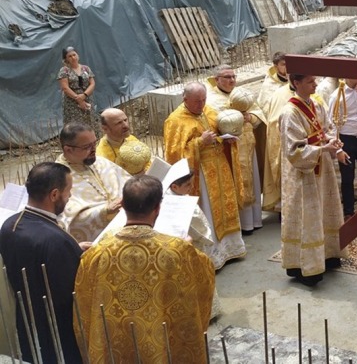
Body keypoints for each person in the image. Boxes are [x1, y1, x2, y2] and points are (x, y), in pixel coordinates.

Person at [74, 176, 214, 363]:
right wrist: (187, 249)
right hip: (161, 341)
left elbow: (83, 305)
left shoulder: (97, 253)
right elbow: (204, 280)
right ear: (157, 208)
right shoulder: (177, 250)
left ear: (123, 205)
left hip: (117, 343)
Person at [0, 163, 84, 364]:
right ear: (54, 194)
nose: (70, 196)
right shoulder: (57, 242)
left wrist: (73, 249)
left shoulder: (10, 224)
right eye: (68, 191)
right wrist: (77, 255)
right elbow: (72, 291)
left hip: (24, 321)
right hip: (57, 330)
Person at [163, 82, 246, 267]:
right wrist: (200, 142)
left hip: (220, 167)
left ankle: (231, 248)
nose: (201, 104)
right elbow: (175, 155)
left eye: (203, 99)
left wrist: (227, 138)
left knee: (225, 206)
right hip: (201, 175)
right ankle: (213, 256)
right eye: (197, 101)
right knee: (209, 210)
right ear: (185, 99)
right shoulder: (175, 120)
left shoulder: (209, 111)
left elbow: (220, 131)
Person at [280, 74, 348, 285]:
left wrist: (333, 143)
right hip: (303, 174)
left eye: (314, 80)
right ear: (296, 83)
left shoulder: (316, 105)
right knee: (307, 217)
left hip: (322, 169)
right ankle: (305, 267)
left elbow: (326, 128)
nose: (315, 84)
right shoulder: (289, 113)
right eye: (310, 81)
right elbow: (294, 151)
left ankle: (328, 255)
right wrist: (323, 148)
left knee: (325, 210)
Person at [204, 65, 265, 234]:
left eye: (233, 77)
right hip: (228, 148)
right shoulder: (211, 100)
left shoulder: (242, 94)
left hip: (248, 145)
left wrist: (249, 117)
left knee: (252, 180)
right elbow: (211, 124)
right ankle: (240, 223)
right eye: (227, 77)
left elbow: (259, 115)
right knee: (234, 182)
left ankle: (253, 220)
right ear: (216, 80)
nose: (231, 80)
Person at [57, 122, 129, 241]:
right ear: (68, 150)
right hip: (97, 242)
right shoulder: (58, 177)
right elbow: (68, 220)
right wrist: (105, 211)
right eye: (87, 147)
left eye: (94, 143)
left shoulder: (100, 161)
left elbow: (128, 182)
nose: (93, 150)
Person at [258, 52, 294, 211]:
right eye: (283, 65)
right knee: (281, 170)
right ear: (276, 66)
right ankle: (282, 207)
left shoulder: (298, 80)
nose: (287, 68)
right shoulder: (269, 86)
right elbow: (265, 108)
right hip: (278, 133)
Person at [329, 78, 357, 217]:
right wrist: (338, 149)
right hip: (347, 139)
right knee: (347, 177)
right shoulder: (337, 95)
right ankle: (349, 212)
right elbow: (331, 123)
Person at [96, 108, 152, 175]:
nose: (125, 125)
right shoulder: (102, 157)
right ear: (105, 129)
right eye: (118, 123)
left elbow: (147, 162)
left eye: (125, 120)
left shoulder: (131, 138)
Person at [57, 46, 98, 132]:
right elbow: (65, 88)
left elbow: (92, 83)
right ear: (66, 59)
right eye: (70, 56)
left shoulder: (86, 68)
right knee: (75, 126)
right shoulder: (64, 70)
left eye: (74, 55)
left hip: (87, 99)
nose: (73, 58)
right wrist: (78, 99)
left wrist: (84, 95)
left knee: (90, 121)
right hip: (72, 102)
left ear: (77, 55)